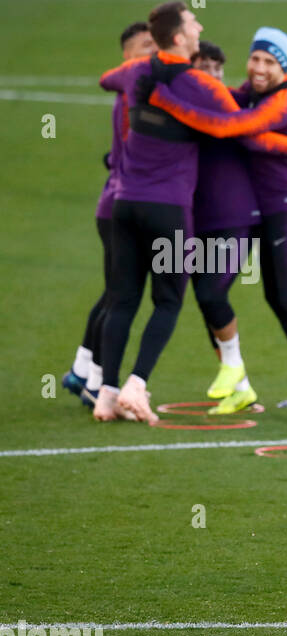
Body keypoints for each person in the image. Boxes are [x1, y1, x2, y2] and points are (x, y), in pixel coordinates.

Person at [95, 3, 287, 424]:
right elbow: (233, 125)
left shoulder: (137, 71)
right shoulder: (199, 85)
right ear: (179, 37)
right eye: (193, 22)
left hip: (123, 204)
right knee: (168, 300)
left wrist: (145, 83)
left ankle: (106, 392)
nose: (199, 24)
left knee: (121, 300)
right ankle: (136, 385)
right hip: (168, 210)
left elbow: (107, 79)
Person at [148, 27, 287, 424]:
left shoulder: (284, 101)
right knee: (278, 297)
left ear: (284, 67)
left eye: (269, 61)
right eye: (255, 59)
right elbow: (227, 103)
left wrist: (165, 99)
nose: (259, 68)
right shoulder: (254, 92)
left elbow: (231, 127)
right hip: (267, 212)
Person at [62, 21, 156, 412]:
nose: (153, 51)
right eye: (145, 45)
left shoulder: (133, 92)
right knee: (121, 297)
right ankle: (96, 382)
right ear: (126, 56)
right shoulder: (134, 95)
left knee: (116, 293)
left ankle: (82, 369)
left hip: (115, 204)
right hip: (121, 208)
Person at [189, 40, 263, 415]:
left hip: (235, 218)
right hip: (194, 221)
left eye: (217, 68)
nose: (213, 75)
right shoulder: (182, 108)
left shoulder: (231, 103)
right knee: (207, 303)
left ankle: (235, 370)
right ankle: (241, 388)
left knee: (211, 294)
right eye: (204, 67)